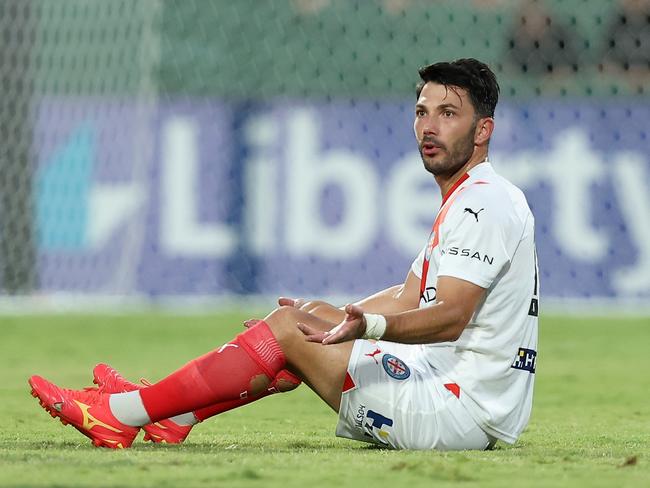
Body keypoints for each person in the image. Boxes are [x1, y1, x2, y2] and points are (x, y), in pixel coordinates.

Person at [28, 58, 539, 451]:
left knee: (288, 330)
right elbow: (410, 295)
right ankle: (173, 414)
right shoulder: (471, 195)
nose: (429, 127)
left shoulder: (482, 204)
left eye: (449, 114)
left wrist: (363, 327)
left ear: (483, 130)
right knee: (309, 316)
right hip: (461, 396)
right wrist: (340, 318)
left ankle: (122, 415)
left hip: (456, 413)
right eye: (422, 112)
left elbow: (449, 317)